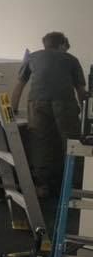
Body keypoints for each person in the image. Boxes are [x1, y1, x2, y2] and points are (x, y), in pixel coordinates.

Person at [11, 31, 86, 198]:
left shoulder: (32, 57)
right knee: (72, 142)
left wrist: (12, 109)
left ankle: (41, 187)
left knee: (40, 142)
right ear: (62, 44)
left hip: (37, 103)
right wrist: (87, 114)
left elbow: (19, 85)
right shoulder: (71, 60)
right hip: (65, 103)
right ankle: (75, 187)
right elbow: (81, 90)